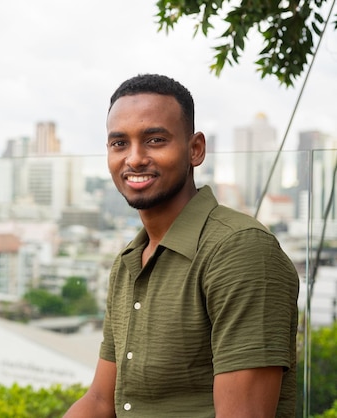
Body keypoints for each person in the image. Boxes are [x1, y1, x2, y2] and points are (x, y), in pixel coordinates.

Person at [64, 74, 300, 417]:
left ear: (195, 149)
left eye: (155, 140)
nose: (134, 159)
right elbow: (101, 401)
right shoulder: (129, 261)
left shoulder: (239, 250)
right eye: (119, 144)